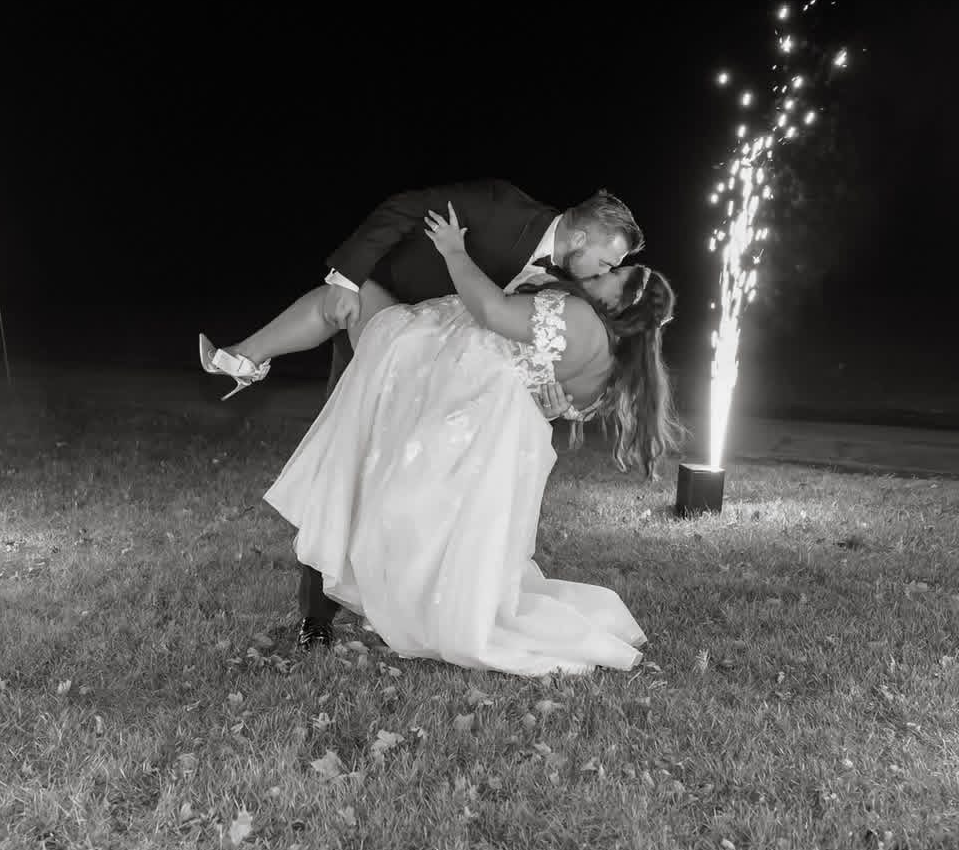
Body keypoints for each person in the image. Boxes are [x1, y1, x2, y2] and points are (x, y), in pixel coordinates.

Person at [199, 180, 644, 649]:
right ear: (580, 237)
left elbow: (540, 348)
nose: (606, 271)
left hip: (439, 374)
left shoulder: (572, 287)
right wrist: (348, 277)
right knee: (344, 462)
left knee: (405, 487)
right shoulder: (500, 206)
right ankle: (316, 617)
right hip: (400, 327)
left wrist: (561, 406)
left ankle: (390, 598)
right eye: (607, 259)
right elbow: (402, 208)